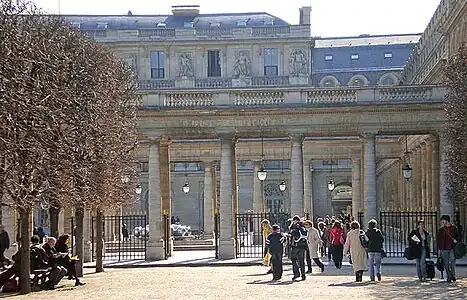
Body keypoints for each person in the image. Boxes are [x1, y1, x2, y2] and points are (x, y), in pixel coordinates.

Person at [437, 215, 460, 283]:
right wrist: (439, 249)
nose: (442, 222)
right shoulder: (441, 230)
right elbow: (438, 240)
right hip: (444, 249)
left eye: (443, 220)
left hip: (452, 248)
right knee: (446, 264)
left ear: (447, 220)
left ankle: (453, 275)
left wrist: (456, 240)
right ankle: (449, 277)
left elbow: (458, 236)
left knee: (452, 263)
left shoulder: (454, 228)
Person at [289, 215, 308, 280]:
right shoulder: (303, 226)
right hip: (303, 246)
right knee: (302, 260)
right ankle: (303, 275)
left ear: (295, 220)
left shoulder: (294, 227)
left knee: (293, 259)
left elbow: (292, 234)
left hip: (295, 245)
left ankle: (296, 274)